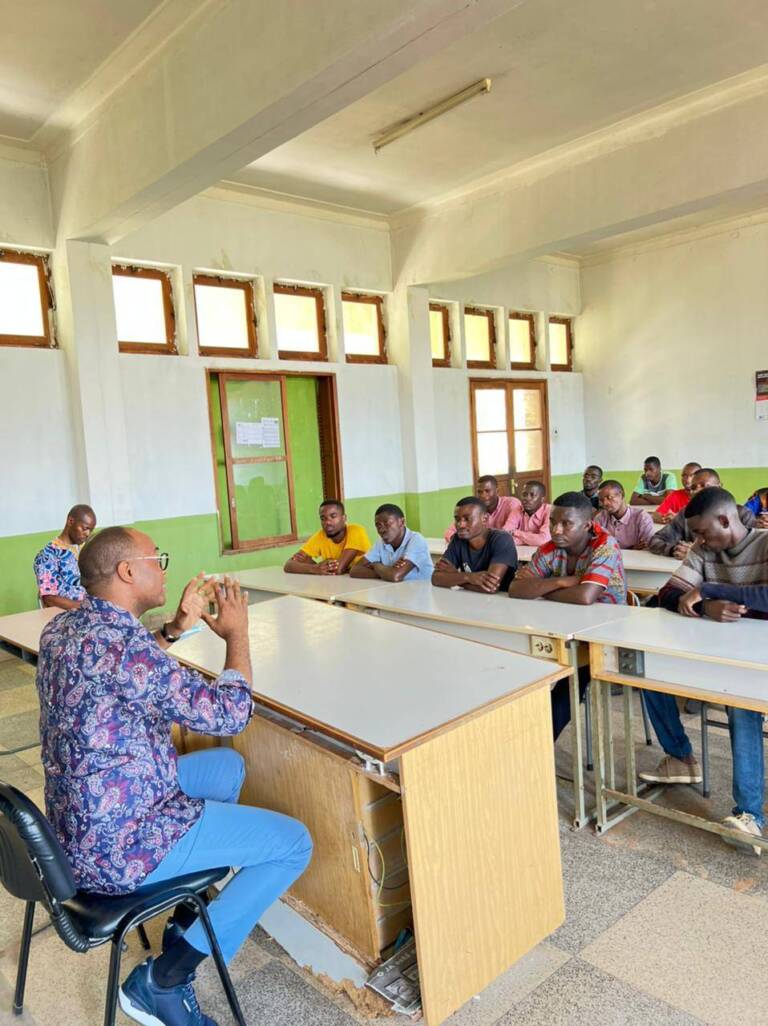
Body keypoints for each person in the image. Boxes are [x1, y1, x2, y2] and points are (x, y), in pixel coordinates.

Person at [36, 527, 312, 1026]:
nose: (163, 566)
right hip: (120, 845)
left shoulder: (63, 629)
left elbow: (128, 663)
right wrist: (237, 634)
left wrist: (177, 626)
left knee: (227, 768)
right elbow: (230, 714)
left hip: (84, 819)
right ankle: (164, 980)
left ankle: (189, 912)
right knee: (294, 844)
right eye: (155, 559)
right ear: (127, 572)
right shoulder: (126, 652)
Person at [641, 487, 768, 855]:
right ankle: (681, 758)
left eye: (702, 532)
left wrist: (708, 590)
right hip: (713, 652)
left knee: (740, 705)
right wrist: (708, 607)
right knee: (650, 672)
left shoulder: (764, 544)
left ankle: (749, 816)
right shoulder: (702, 551)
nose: (696, 541)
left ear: (726, 520)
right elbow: (666, 594)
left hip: (754, 662)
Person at [508, 492, 626, 739]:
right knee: (518, 666)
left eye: (566, 524)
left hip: (606, 633)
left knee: (569, 680)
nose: (556, 529)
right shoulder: (550, 548)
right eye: (552, 522)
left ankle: (537, 742)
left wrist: (543, 589)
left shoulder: (606, 545)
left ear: (587, 524)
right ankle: (515, 735)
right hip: (562, 626)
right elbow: (516, 588)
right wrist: (562, 582)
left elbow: (585, 597)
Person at [648, 468, 755, 558]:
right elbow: (656, 541)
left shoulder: (742, 515)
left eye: (704, 485)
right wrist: (675, 549)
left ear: (719, 486)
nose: (697, 491)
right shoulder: (685, 516)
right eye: (693, 488)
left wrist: (697, 553)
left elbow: (749, 553)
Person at [433, 496, 518, 593]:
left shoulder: (501, 539)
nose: (461, 524)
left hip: (502, 602)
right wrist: (468, 577)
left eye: (467, 519)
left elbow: (490, 587)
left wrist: (455, 576)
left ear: (484, 519)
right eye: (457, 519)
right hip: (471, 600)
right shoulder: (458, 539)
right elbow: (436, 578)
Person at [33, 504, 97, 609]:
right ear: (70, 521)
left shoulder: (84, 550)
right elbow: (49, 598)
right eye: (85, 528)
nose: (87, 534)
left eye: (91, 530)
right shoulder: (48, 555)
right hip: (66, 615)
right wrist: (85, 607)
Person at [284, 500, 371, 575]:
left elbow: (338, 569)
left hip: (364, 586)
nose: (327, 522)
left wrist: (311, 564)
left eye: (333, 516)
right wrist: (316, 568)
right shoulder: (320, 536)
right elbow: (288, 565)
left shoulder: (356, 531)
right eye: (323, 518)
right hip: (336, 585)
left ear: (344, 518)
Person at [350, 504, 433, 581]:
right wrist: (387, 572)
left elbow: (395, 576)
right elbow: (354, 570)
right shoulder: (381, 542)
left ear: (402, 522)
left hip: (422, 593)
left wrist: (376, 565)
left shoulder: (416, 540)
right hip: (396, 591)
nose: (381, 530)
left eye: (387, 523)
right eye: (378, 525)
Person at [443, 475, 521, 541]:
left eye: (487, 491)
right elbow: (449, 532)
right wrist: (460, 541)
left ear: (497, 491)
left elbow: (507, 533)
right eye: (480, 492)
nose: (483, 495)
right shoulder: (474, 508)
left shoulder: (512, 504)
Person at [594, 480, 655, 549]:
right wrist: (631, 548)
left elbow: (647, 547)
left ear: (622, 495)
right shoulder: (600, 518)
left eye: (609, 497)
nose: (605, 503)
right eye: (601, 500)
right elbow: (597, 547)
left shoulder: (642, 517)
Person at [511, 481, 551, 546]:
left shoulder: (549, 511)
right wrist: (533, 539)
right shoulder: (517, 509)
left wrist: (516, 532)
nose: (527, 498)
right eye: (524, 494)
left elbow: (543, 540)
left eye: (532, 495)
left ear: (542, 499)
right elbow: (504, 535)